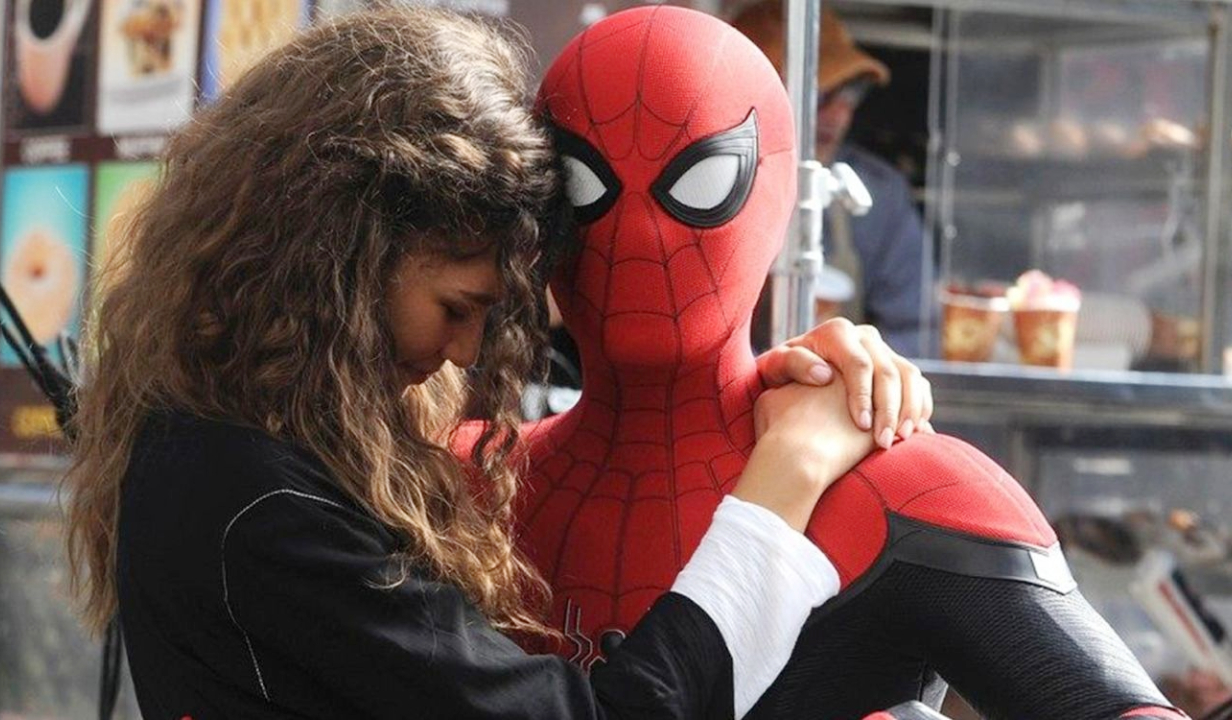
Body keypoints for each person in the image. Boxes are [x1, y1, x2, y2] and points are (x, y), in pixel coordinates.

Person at [60, 8, 934, 719]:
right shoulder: (268, 508)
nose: (466, 352)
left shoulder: (226, 445)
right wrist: (785, 480)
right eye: (457, 307)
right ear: (343, 259)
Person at [524, 6, 1184, 719]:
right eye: (583, 188)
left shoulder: (908, 488)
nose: (641, 237)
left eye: (703, 181)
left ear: (779, 190)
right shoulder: (458, 488)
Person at [733, 1, 926, 357]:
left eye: (852, 92)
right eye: (820, 95)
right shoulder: (703, 189)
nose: (839, 115)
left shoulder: (879, 195)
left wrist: (858, 372)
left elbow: (914, 330)